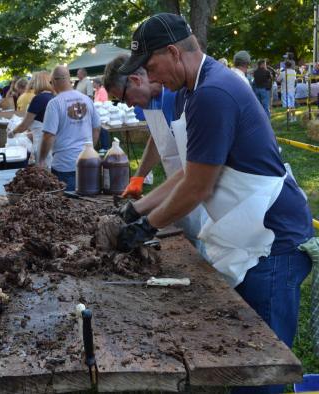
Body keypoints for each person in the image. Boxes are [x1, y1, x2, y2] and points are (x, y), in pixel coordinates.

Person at [117, 14, 313, 393]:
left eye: (152, 67)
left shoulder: (213, 92)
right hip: (250, 233)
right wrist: (135, 209)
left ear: (174, 52)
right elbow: (188, 173)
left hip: (274, 244)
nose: (152, 78)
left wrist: (147, 227)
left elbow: (197, 188)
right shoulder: (195, 91)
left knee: (262, 372)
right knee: (245, 363)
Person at [103, 54, 208, 258]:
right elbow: (158, 138)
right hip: (177, 184)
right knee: (189, 238)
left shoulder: (173, 97)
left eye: (124, 97)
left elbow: (193, 171)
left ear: (135, 80)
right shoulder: (150, 102)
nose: (129, 105)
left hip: (198, 187)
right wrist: (139, 176)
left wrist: (145, 218)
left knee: (204, 247)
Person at [38, 66, 100, 190]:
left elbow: (48, 135)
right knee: (89, 203)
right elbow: (97, 128)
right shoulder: (87, 99)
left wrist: (41, 160)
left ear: (55, 81)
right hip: (87, 162)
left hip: (64, 166)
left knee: (69, 205)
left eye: (51, 82)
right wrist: (90, 150)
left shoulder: (54, 103)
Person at [12, 71, 54, 166]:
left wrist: (12, 132)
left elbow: (24, 125)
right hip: (53, 143)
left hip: (42, 144)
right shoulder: (53, 97)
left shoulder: (38, 99)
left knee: (44, 173)